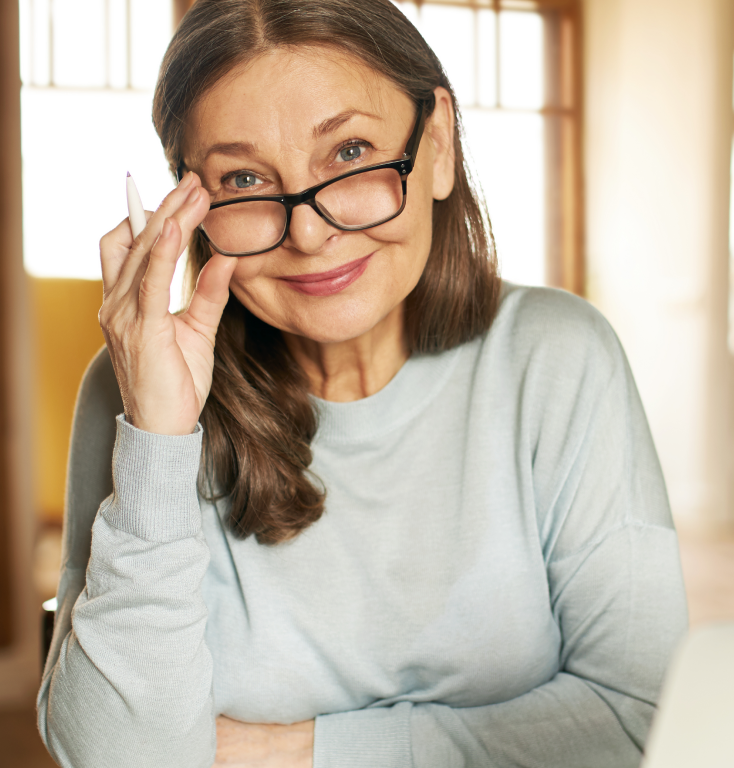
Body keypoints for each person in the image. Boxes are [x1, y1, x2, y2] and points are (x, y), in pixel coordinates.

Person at [37, 1, 688, 766]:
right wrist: (159, 442)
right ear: (189, 205)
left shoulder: (559, 359)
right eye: (244, 178)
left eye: (349, 153)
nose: (310, 233)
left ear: (436, 143)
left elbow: (641, 723)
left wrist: (286, 754)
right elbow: (118, 760)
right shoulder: (137, 394)